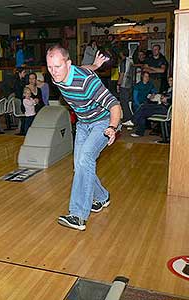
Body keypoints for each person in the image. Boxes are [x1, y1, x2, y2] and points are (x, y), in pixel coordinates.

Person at [46, 46, 121, 231]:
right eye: (49, 67)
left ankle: (78, 215)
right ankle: (102, 197)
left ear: (67, 64)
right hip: (83, 124)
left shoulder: (87, 82)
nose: (53, 72)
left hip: (103, 122)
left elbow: (115, 105)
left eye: (57, 66)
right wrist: (95, 65)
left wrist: (112, 127)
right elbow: (83, 67)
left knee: (85, 158)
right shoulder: (59, 74)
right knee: (80, 166)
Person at [117, 49, 134, 123]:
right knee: (127, 101)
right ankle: (128, 117)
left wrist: (118, 84)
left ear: (121, 53)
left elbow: (122, 74)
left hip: (124, 84)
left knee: (123, 102)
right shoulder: (130, 61)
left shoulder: (123, 62)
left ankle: (128, 118)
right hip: (131, 83)